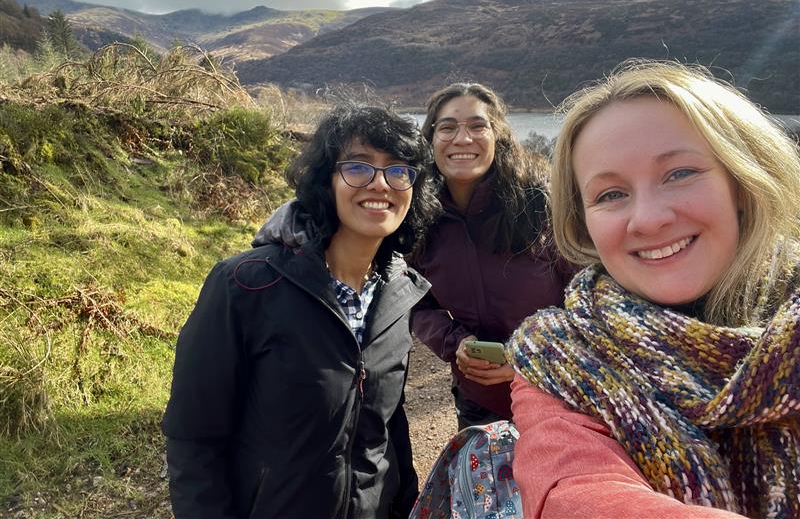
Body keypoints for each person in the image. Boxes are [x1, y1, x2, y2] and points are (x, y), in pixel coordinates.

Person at [506, 60, 800, 519]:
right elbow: (575, 488)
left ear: (741, 182)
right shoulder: (560, 354)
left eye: (679, 173)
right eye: (610, 195)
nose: (647, 219)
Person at [161, 105, 441, 519]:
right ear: (326, 181)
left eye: (398, 170)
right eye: (358, 167)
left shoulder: (397, 294)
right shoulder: (244, 286)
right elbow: (193, 438)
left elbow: (388, 428)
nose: (380, 183)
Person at [411, 82, 574, 429]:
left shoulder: (541, 205)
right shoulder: (418, 216)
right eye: (448, 127)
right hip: (478, 398)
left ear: (497, 135)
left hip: (557, 392)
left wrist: (529, 357)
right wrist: (455, 341)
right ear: (431, 140)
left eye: (477, 125)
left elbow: (585, 302)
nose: (462, 139)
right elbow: (414, 301)